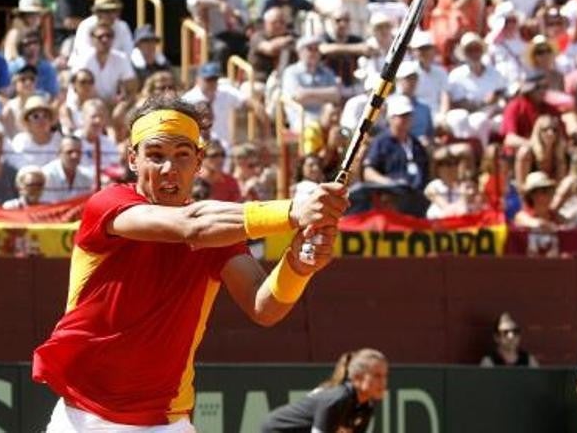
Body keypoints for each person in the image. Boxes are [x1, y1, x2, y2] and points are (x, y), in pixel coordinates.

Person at [32, 97, 347, 429]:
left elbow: (264, 307)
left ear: (198, 161)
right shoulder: (108, 204)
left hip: (168, 421)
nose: (169, 168)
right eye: (155, 156)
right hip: (84, 417)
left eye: (182, 155)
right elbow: (190, 225)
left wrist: (297, 265)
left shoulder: (219, 232)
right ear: (133, 160)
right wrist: (292, 212)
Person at [261, 348, 387, 433]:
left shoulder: (366, 408)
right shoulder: (337, 398)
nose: (383, 382)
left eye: (385, 375)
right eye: (377, 376)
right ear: (357, 377)